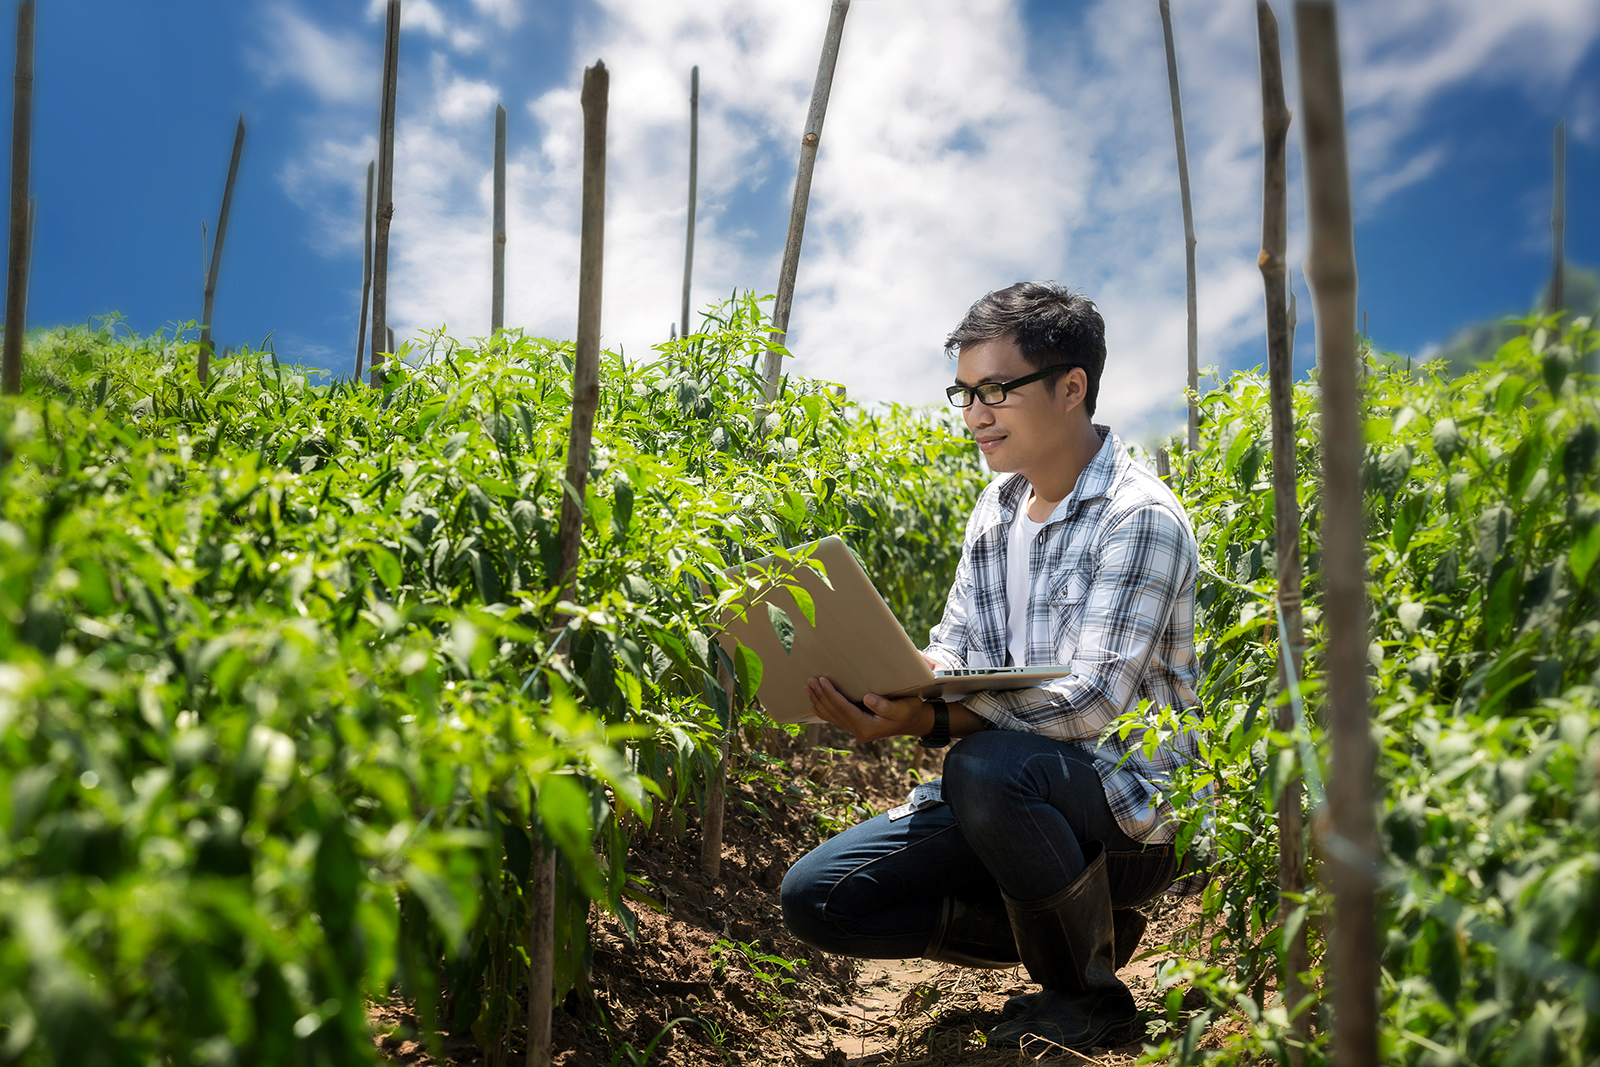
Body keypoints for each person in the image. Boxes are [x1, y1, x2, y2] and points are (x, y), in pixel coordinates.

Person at [779, 282, 1205, 1051]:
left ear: (1071, 387)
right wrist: (897, 674)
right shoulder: (997, 508)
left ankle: (1088, 997)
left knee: (981, 764)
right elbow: (959, 646)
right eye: (965, 393)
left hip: (1128, 811)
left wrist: (938, 718)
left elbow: (1089, 703)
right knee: (819, 899)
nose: (975, 414)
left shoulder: (1138, 517)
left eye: (996, 391)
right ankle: (1086, 928)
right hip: (1019, 796)